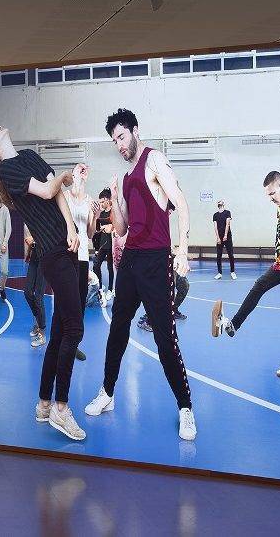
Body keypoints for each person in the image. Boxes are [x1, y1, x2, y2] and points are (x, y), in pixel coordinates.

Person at [84, 108, 197, 441]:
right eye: (114, 141)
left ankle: (185, 407)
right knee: (117, 327)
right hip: (131, 259)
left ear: (134, 130)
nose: (119, 144)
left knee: (165, 338)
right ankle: (107, 392)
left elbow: (181, 203)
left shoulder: (154, 160)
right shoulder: (124, 177)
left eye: (121, 136)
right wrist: (116, 198)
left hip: (156, 260)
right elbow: (121, 229)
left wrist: (182, 250)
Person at [0, 127, 87, 441]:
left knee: (60, 329)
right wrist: (64, 176)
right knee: (75, 329)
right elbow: (46, 190)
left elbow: (57, 193)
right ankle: (61, 407)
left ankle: (44, 403)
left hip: (67, 243)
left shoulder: (29, 155)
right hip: (52, 252)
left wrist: (72, 227)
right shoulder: (8, 171)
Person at [210, 170, 280, 378]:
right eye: (268, 195)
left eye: (272, 193)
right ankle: (233, 325)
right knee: (259, 285)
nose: (270, 198)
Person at [66, 166, 95, 361]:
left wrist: (95, 216)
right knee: (66, 301)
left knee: (80, 302)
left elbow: (91, 234)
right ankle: (62, 340)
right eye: (78, 169)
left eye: (84, 171)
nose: (82, 171)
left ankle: (74, 343)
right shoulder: (65, 196)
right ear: (73, 174)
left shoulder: (90, 201)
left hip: (83, 255)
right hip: (68, 254)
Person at [23, 225, 48, 348]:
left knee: (38, 297)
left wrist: (34, 238)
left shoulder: (48, 218)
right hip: (35, 256)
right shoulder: (32, 219)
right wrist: (28, 252)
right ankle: (38, 321)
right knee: (27, 292)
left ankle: (42, 333)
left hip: (46, 256)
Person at [91, 188, 115, 300]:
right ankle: (100, 288)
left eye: (102, 202)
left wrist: (109, 227)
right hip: (102, 244)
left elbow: (113, 228)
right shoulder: (100, 213)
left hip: (111, 244)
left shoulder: (113, 212)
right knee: (96, 265)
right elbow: (96, 230)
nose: (100, 204)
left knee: (110, 267)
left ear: (107, 200)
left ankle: (110, 289)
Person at [212, 200, 235, 280]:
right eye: (219, 202)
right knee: (219, 255)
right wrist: (218, 237)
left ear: (223, 204)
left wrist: (225, 235)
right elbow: (215, 227)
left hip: (227, 236)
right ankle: (219, 273)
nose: (220, 203)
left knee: (230, 254)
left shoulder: (227, 212)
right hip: (219, 237)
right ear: (218, 205)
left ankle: (232, 272)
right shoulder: (215, 215)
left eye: (221, 202)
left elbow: (227, 223)